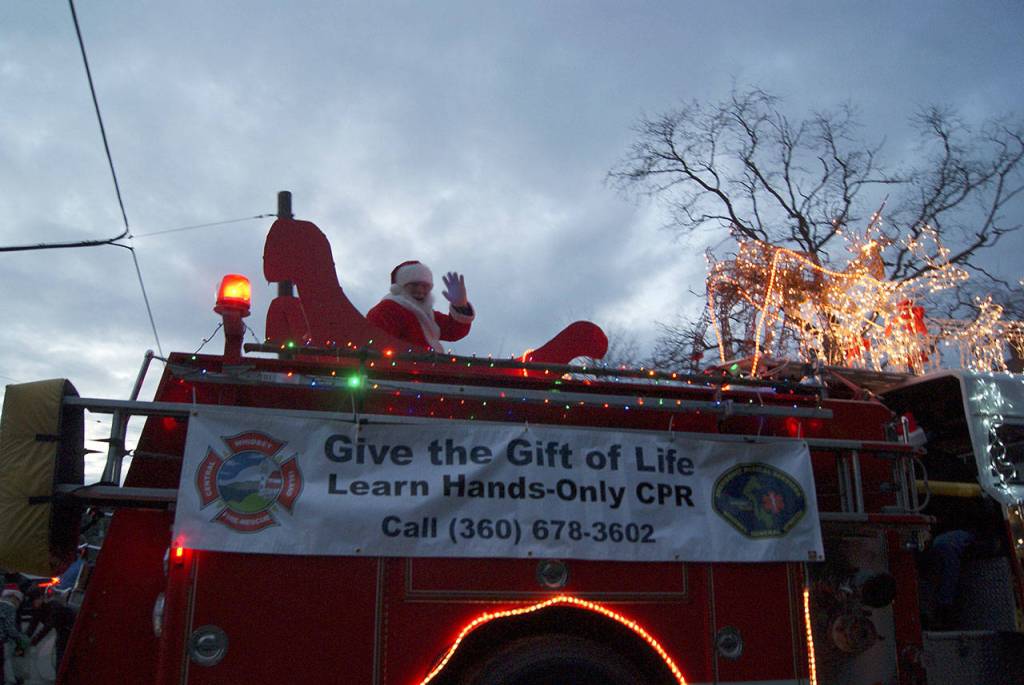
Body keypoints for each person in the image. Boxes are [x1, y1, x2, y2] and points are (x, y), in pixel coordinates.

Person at [366, 261, 474, 352]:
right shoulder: (387, 310)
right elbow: (377, 345)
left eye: (425, 286)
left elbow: (452, 331)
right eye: (414, 285)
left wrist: (460, 305)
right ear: (400, 287)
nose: (420, 290)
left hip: (425, 371)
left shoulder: (426, 314)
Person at [0, 585, 29, 685]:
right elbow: (9, 628)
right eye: (18, 601)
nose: (18, 604)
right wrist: (20, 638)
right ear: (14, 598)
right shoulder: (10, 607)